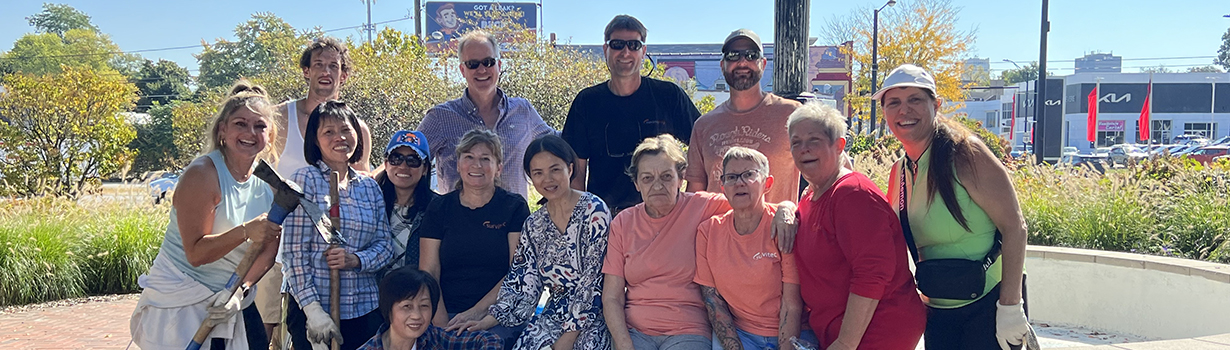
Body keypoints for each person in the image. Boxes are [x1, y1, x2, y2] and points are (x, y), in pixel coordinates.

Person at [876, 64, 1031, 350]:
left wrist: (1010, 307)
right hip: (938, 309)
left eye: (915, 100)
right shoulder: (899, 171)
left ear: (936, 105)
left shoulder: (965, 154)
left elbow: (1015, 227)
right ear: (884, 112)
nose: (904, 111)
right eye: (893, 103)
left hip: (987, 306)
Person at [602, 135, 798, 350]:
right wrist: (623, 344)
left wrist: (786, 208)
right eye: (647, 178)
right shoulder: (623, 223)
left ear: (680, 179)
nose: (658, 185)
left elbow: (751, 201)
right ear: (637, 183)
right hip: (636, 331)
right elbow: (612, 296)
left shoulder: (702, 206)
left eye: (667, 176)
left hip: (688, 329)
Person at [130, 80, 282, 350]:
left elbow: (268, 252)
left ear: (269, 135)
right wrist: (246, 231)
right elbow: (196, 253)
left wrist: (240, 291)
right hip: (182, 303)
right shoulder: (203, 174)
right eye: (240, 124)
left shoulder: (268, 180)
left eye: (260, 126)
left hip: (231, 300)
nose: (250, 132)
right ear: (222, 129)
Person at [259, 36, 375, 344]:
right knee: (263, 333)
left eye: (334, 66)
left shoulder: (357, 128)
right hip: (276, 244)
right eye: (319, 64)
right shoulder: (279, 118)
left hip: (330, 260)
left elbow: (359, 184)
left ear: (343, 75)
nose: (326, 71)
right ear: (306, 71)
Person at [787, 101, 925, 349]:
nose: (804, 149)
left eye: (814, 140)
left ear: (839, 145)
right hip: (836, 329)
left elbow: (872, 273)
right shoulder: (811, 195)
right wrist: (783, 210)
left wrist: (845, 343)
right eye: (796, 143)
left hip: (876, 330)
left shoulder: (852, 194)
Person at [455, 135, 613, 350]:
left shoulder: (594, 211)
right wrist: (488, 320)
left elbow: (593, 281)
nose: (547, 179)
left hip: (595, 316)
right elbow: (522, 281)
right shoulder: (534, 224)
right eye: (538, 173)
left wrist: (567, 338)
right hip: (553, 314)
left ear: (570, 168)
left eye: (555, 169)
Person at [562, 15, 701, 212]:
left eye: (634, 45)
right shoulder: (587, 102)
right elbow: (576, 172)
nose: (625, 52)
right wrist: (584, 220)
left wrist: (687, 201)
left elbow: (702, 145)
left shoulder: (668, 96)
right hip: (605, 218)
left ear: (643, 51)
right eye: (617, 44)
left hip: (662, 215)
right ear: (605, 50)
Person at [284, 101, 394, 350]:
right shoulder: (305, 180)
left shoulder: (369, 187)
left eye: (346, 130)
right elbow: (294, 254)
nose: (339, 138)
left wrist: (355, 260)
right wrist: (312, 310)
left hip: (364, 308)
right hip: (317, 309)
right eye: (328, 132)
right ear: (315, 140)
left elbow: (385, 246)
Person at [419, 128, 531, 349]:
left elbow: (516, 272)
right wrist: (441, 324)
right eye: (468, 157)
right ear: (458, 165)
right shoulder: (439, 208)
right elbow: (429, 271)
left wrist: (477, 313)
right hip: (446, 311)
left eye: (485, 159)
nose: (476, 165)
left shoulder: (514, 207)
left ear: (498, 168)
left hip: (498, 313)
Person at [694, 147, 811, 350]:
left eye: (749, 174)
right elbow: (714, 302)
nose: (739, 182)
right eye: (731, 177)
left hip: (792, 333)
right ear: (722, 186)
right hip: (740, 333)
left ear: (768, 183)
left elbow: (792, 304)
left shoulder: (783, 225)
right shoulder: (708, 231)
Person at [419, 30, 555, 199]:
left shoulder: (523, 110)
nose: (482, 69)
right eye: (473, 64)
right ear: (462, 70)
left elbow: (557, 142)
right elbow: (408, 156)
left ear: (499, 65)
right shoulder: (440, 118)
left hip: (513, 222)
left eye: (488, 62)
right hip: (457, 224)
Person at [685, 29, 802, 206]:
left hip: (775, 232)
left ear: (763, 63)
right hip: (716, 232)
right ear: (722, 64)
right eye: (733, 55)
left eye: (751, 55)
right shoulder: (704, 125)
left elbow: (825, 172)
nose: (742, 62)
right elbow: (694, 196)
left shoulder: (792, 114)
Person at [355, 266, 503, 350]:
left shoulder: (434, 337)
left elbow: (490, 340)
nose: (417, 315)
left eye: (424, 305)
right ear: (388, 309)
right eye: (407, 306)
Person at [374, 130, 439, 271]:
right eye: (396, 158)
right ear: (386, 163)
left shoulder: (438, 208)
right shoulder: (370, 203)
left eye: (413, 160)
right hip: (372, 290)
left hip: (417, 290)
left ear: (425, 168)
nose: (403, 166)